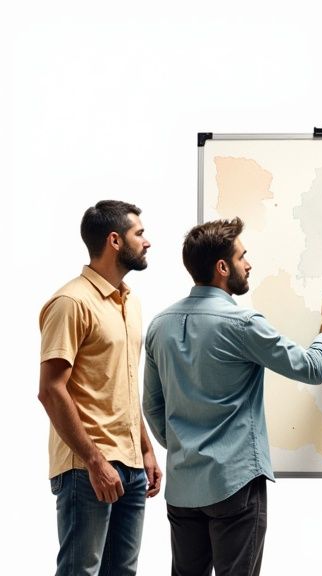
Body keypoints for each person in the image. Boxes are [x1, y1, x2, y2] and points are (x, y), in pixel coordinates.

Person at [143, 217, 322, 576]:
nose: (249, 264)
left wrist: (184, 446)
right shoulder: (241, 324)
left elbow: (151, 405)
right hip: (235, 485)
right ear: (222, 267)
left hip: (183, 489)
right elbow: (310, 368)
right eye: (242, 256)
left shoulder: (159, 325)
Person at [37, 200, 163, 575]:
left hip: (131, 465)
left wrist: (146, 449)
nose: (147, 241)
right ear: (114, 240)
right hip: (86, 469)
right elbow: (50, 390)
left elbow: (122, 384)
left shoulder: (130, 303)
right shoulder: (70, 302)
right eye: (139, 233)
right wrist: (95, 461)